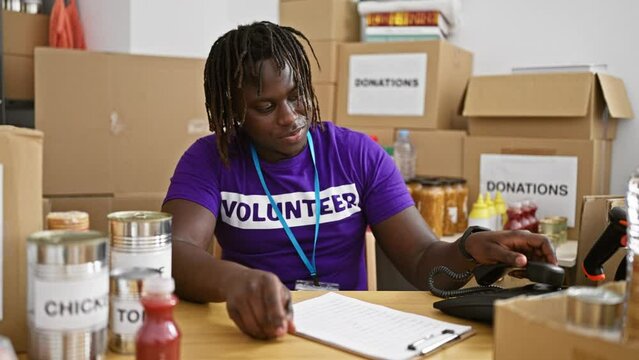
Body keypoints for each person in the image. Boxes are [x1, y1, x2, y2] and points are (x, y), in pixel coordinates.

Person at [162, 21, 557, 340]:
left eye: (297, 96)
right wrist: (236, 282)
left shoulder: (356, 155)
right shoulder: (212, 159)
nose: (290, 116)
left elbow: (422, 261)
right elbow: (174, 251)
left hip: (352, 334)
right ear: (233, 110)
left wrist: (470, 248)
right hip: (258, 330)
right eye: (266, 106)